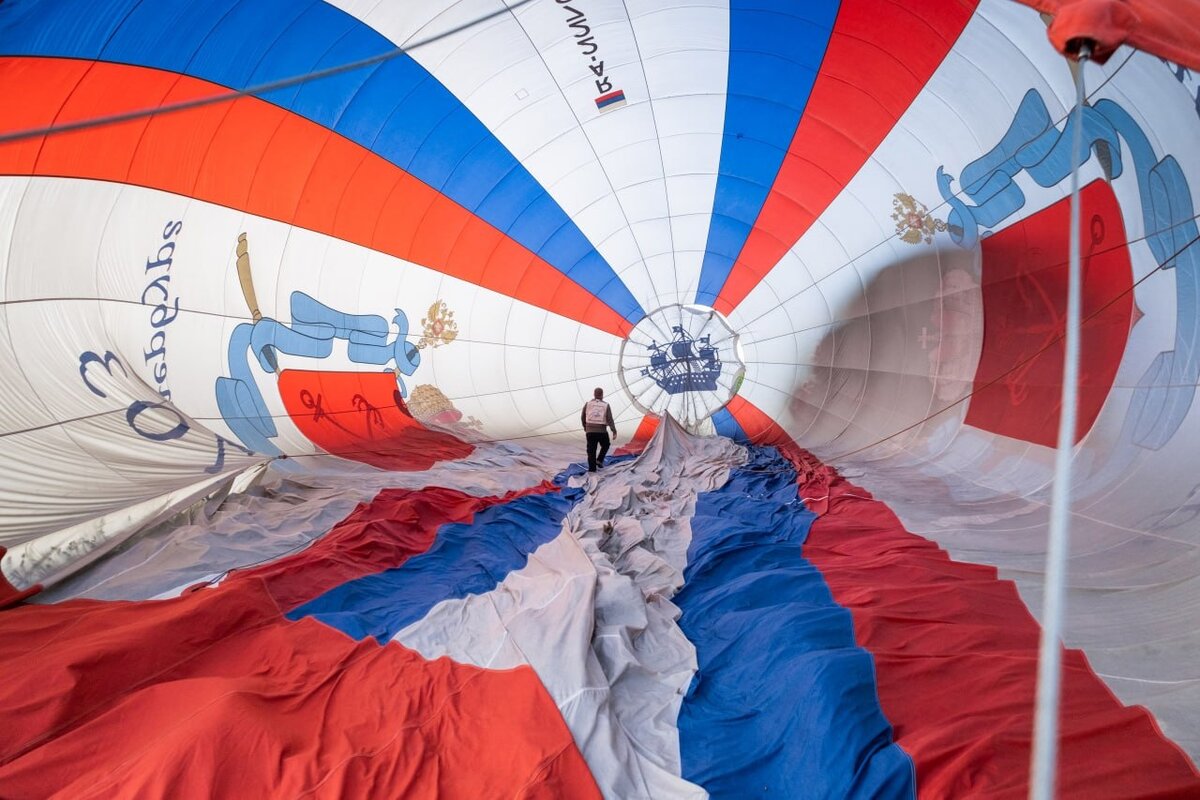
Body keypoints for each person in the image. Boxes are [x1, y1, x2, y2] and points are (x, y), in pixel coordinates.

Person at [581, 387, 617, 472]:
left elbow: (583, 416)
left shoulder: (587, 404)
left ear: (594, 394)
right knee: (606, 444)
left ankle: (592, 470)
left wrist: (585, 427)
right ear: (602, 395)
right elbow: (610, 419)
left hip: (590, 431)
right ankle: (600, 460)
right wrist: (614, 431)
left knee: (591, 450)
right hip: (601, 431)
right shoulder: (606, 405)